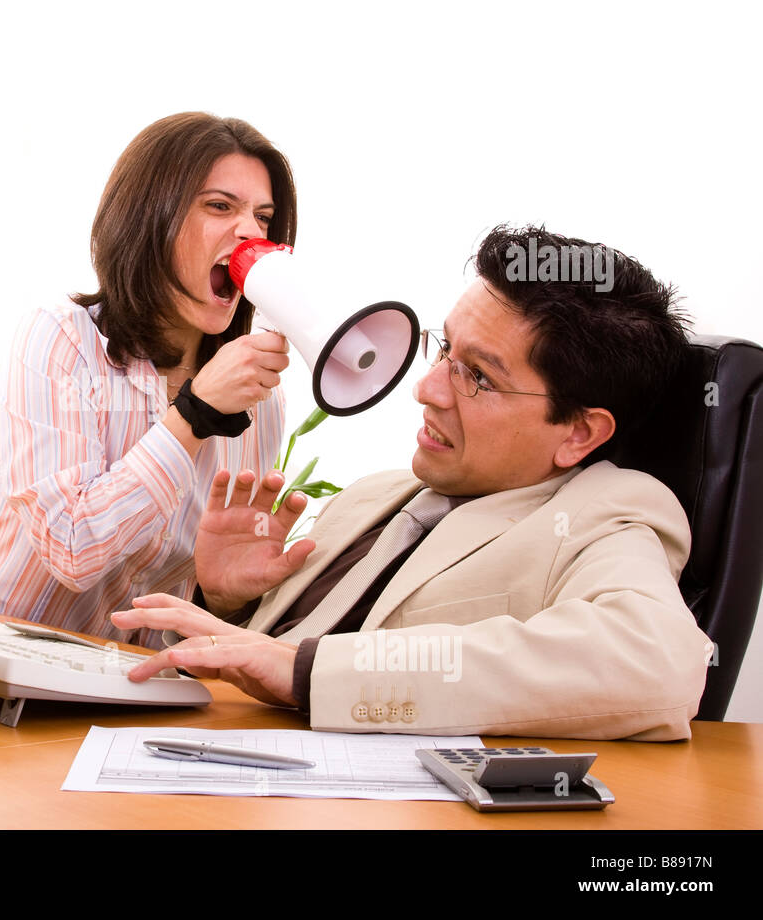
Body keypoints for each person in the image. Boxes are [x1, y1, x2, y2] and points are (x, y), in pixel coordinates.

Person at [114, 225, 712, 740]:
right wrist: (228, 601)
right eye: (445, 348)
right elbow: (254, 669)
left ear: (579, 434)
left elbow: (655, 663)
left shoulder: (608, 510)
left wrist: (308, 672)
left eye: (476, 376)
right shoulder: (375, 496)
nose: (426, 388)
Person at [0, 113, 296, 644]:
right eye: (219, 206)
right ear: (148, 221)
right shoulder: (61, 341)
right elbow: (71, 549)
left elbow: (184, 607)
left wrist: (220, 597)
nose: (252, 232)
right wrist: (194, 414)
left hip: (110, 688)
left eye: (264, 216)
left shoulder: (259, 400)